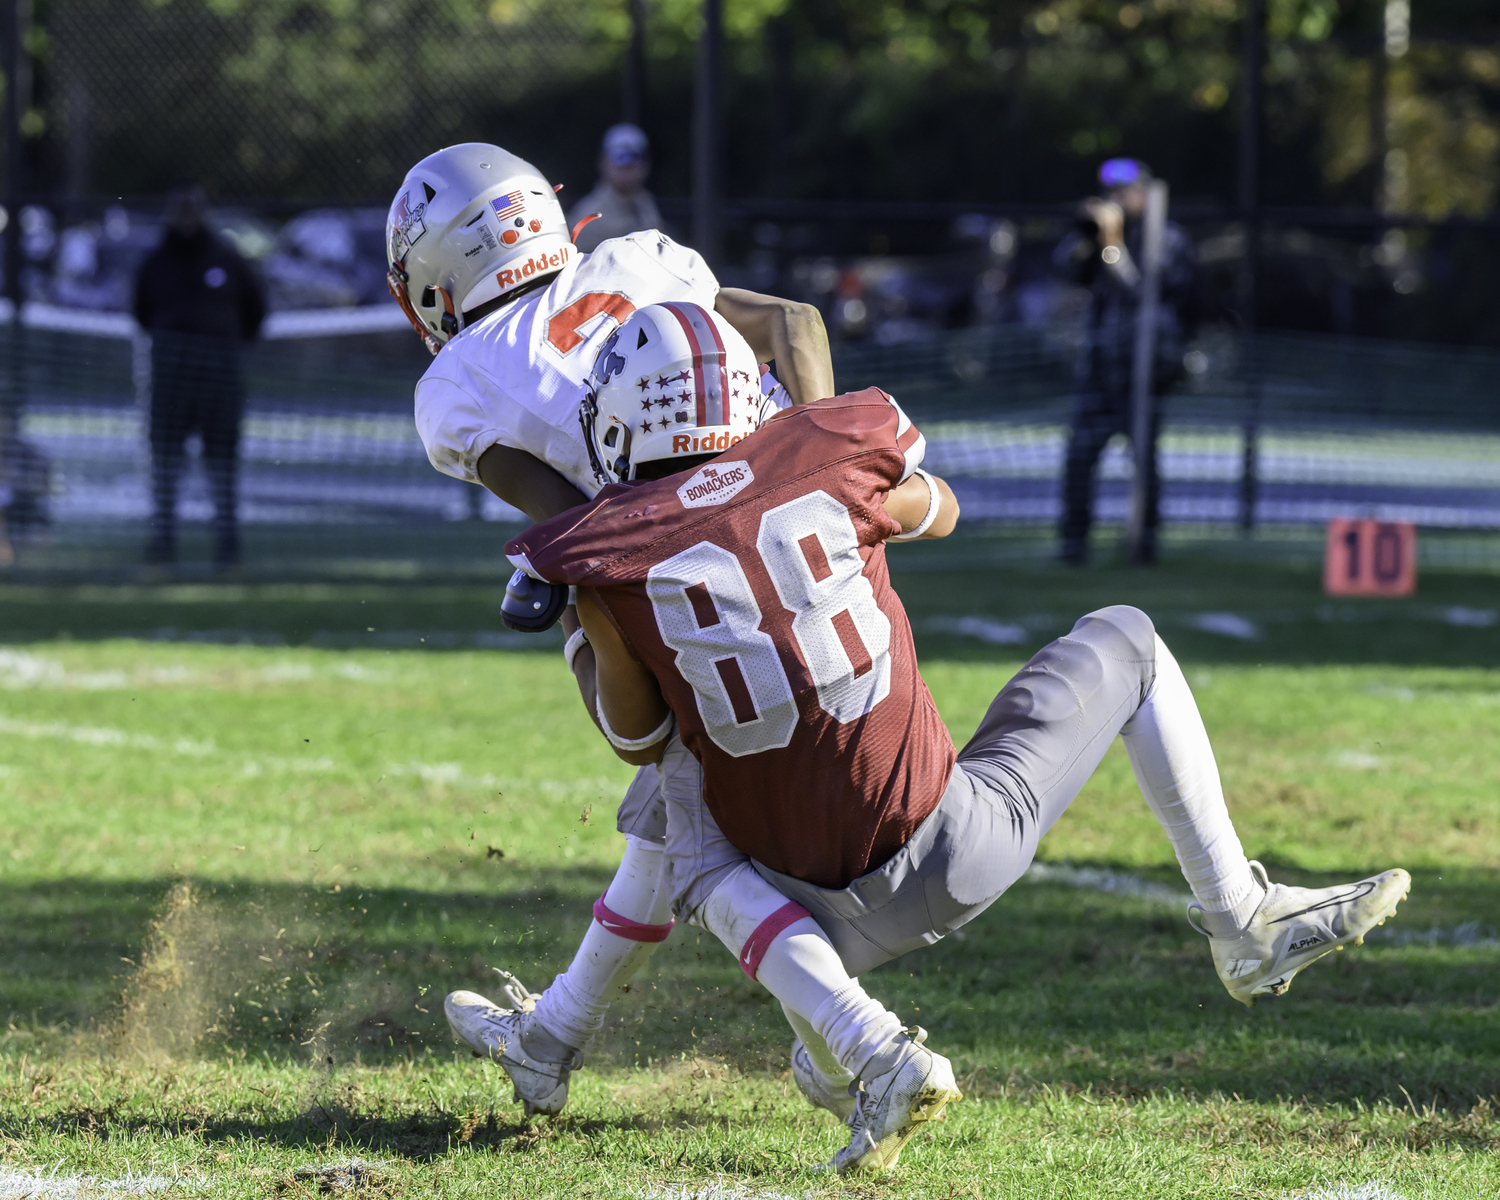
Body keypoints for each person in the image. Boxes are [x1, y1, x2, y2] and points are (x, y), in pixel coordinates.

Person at [496, 302, 1411, 1171]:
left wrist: (584, 621)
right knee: (1129, 638)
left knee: (676, 792)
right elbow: (940, 505)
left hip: (803, 919)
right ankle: (1237, 918)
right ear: (745, 394)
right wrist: (854, 506)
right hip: (963, 846)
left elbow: (632, 732)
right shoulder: (830, 456)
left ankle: (835, 1045)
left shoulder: (607, 562)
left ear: (616, 428)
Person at [386, 142, 848, 1125]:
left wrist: (552, 587)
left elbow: (577, 531)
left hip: (700, 593)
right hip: (814, 554)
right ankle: (549, 1040)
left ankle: (851, 1040)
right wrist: (819, 467)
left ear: (434, 272)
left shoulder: (458, 379)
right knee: (674, 811)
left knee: (674, 792)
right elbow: (797, 322)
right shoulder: (640, 256)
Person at [1053, 158, 1195, 565]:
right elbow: (1063, 269)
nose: (1115, 199)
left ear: (1145, 194)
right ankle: (1073, 545)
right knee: (1080, 458)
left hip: (1144, 373)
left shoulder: (1166, 238)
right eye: (1110, 192)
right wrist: (1088, 235)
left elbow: (1145, 292)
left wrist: (1113, 243)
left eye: (1125, 192)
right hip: (1099, 371)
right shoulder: (1096, 239)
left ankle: (1144, 545)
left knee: (1144, 463)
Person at [133, 186, 265, 569]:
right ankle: (162, 545)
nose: (188, 219)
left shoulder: (227, 259)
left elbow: (255, 311)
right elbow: (140, 313)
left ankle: (227, 547)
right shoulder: (155, 262)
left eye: (195, 211)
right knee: (166, 466)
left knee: (222, 466)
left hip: (219, 384)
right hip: (171, 383)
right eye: (182, 211)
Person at [566, 124, 665, 255]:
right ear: (603, 163)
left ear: (646, 164)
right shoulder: (586, 216)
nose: (627, 165)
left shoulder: (647, 206)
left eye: (634, 157)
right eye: (619, 157)